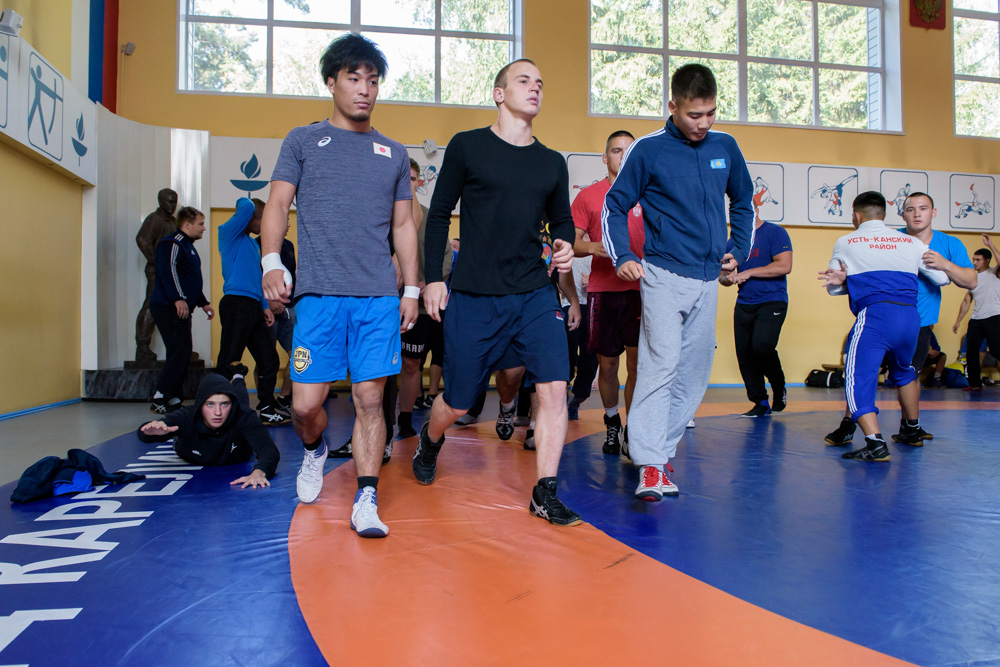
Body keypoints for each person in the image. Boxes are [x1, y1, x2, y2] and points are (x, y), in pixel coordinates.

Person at [260, 34, 419, 538]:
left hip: (377, 298)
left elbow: (403, 226)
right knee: (305, 406)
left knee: (371, 400)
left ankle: (366, 497)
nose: (364, 89)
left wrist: (411, 290)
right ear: (332, 82)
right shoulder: (302, 141)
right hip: (319, 297)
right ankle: (314, 449)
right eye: (354, 78)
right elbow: (277, 204)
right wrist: (270, 262)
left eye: (373, 80)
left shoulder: (394, 153)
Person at [418, 59, 582, 527]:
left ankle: (544, 492)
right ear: (499, 93)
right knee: (459, 401)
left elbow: (562, 219)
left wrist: (565, 243)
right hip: (475, 294)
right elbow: (438, 213)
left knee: (554, 389)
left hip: (534, 292)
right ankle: (431, 439)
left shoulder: (551, 162)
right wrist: (433, 278)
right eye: (524, 81)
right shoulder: (467, 146)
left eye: (540, 83)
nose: (535, 88)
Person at [602, 64, 754, 501]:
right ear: (673, 106)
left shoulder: (725, 146)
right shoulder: (649, 150)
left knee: (693, 373)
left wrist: (739, 249)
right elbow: (615, 206)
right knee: (660, 365)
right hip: (663, 274)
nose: (703, 123)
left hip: (708, 279)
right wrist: (623, 256)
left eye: (711, 113)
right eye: (694, 115)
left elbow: (743, 201)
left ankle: (657, 450)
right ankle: (650, 464)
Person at [825, 192, 976, 445]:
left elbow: (970, 281)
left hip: (913, 321)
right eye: (911, 209)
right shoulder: (897, 239)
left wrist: (944, 263)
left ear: (933, 213)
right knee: (887, 373)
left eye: (923, 208)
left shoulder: (947, 243)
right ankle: (855, 426)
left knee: (876, 374)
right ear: (901, 214)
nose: (917, 214)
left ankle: (897, 432)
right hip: (906, 318)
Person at [572, 130, 645, 452]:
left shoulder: (649, 195)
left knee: (638, 366)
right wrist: (594, 247)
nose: (622, 156)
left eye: (628, 151)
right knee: (608, 366)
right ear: (605, 157)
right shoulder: (588, 196)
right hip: (603, 291)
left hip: (642, 291)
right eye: (616, 150)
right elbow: (572, 242)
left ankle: (634, 427)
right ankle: (612, 422)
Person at [138, 365, 279, 488]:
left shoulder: (244, 416)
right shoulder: (187, 416)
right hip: (190, 456)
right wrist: (150, 432)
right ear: (200, 405)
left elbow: (268, 449)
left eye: (224, 404)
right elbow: (146, 432)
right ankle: (237, 375)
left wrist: (260, 471)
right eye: (210, 404)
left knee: (241, 401)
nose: (218, 412)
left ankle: (238, 375)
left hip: (236, 451)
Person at [216, 197, 289, 426]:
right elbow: (246, 205)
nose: (265, 226)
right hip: (235, 303)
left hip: (254, 306)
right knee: (229, 358)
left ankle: (266, 407)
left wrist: (265, 306)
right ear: (251, 218)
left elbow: (258, 278)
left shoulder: (254, 245)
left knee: (269, 359)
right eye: (263, 220)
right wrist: (261, 206)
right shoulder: (228, 235)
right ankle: (217, 408)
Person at [719, 210, 793, 417]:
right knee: (744, 354)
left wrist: (748, 272)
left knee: (761, 347)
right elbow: (723, 277)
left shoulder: (775, 232)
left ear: (756, 211)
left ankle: (778, 386)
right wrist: (728, 278)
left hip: (772, 300)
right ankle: (760, 402)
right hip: (744, 302)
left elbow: (785, 265)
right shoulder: (733, 241)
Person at [397, 157, 451, 438]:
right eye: (403, 177)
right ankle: (387, 420)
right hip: (388, 303)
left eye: (412, 178)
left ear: (419, 182)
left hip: (421, 306)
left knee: (414, 363)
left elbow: (446, 256)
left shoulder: (431, 218)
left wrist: (430, 283)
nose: (407, 183)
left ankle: (406, 419)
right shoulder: (384, 213)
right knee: (388, 367)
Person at [149, 206, 214, 414]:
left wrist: (203, 303)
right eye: (200, 224)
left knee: (182, 351)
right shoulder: (172, 243)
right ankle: (160, 397)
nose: (204, 228)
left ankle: (173, 397)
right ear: (187, 224)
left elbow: (189, 278)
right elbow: (168, 271)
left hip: (180, 306)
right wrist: (178, 298)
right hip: (168, 306)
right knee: (179, 350)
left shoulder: (187, 246)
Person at [135, 188, 178, 363]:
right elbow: (142, 240)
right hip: (158, 272)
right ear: (160, 201)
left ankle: (178, 348)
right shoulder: (154, 219)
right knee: (151, 306)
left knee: (175, 309)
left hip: (171, 272)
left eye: (175, 202)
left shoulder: (173, 222)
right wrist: (157, 262)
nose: (173, 205)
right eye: (170, 201)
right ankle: (142, 347)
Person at [952, 237, 1000, 391]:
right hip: (976, 319)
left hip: (994, 316)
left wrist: (991, 245)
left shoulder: (995, 273)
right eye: (973, 259)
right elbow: (967, 300)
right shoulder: (973, 277)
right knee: (971, 352)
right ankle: (975, 384)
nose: (974, 262)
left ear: (987, 260)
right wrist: (958, 321)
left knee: (996, 350)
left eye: (978, 260)